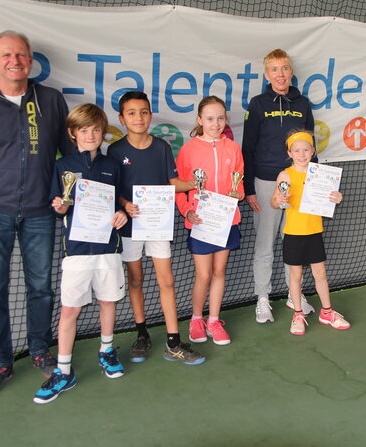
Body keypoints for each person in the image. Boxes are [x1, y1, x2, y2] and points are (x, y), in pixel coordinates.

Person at [0, 30, 72, 396]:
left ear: (30, 61)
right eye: (6, 55)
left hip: (40, 212)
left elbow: (68, 157)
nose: (14, 61)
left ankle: (40, 351)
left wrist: (66, 197)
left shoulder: (51, 100)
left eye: (20, 55)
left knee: (41, 288)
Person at [33, 103, 129, 404]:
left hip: (108, 248)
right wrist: (60, 206)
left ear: (103, 133)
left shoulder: (112, 166)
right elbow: (58, 208)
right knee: (69, 310)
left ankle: (106, 351)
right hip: (76, 251)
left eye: (96, 130)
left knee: (108, 301)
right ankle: (63, 371)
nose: (91, 135)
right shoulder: (62, 166)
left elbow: (120, 202)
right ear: (73, 133)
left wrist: (122, 214)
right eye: (84, 130)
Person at [106, 91, 205, 365]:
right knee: (135, 280)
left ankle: (173, 342)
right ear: (122, 118)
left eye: (144, 112)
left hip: (157, 226)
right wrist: (125, 204)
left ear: (150, 115)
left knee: (167, 281)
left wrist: (195, 184)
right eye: (132, 113)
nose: (139, 118)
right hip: (129, 228)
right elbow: (113, 190)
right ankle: (142, 334)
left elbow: (172, 183)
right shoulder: (115, 151)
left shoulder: (161, 147)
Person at [242, 49, 316, 324]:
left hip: (298, 182)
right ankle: (262, 299)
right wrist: (249, 188)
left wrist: (314, 185)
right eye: (274, 69)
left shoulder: (303, 103)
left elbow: (312, 148)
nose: (280, 74)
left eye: (284, 68)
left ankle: (293, 296)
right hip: (265, 182)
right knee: (265, 244)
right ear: (267, 75)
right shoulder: (258, 104)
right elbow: (248, 148)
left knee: (293, 242)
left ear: (291, 72)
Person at [175, 96, 245, 346]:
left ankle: (214, 321)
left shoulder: (233, 148)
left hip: (225, 221)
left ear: (226, 120)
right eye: (210, 118)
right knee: (203, 275)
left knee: (218, 272)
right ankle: (196, 319)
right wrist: (187, 211)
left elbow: (240, 184)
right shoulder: (188, 150)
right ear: (199, 120)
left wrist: (239, 194)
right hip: (201, 221)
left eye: (220, 118)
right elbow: (179, 187)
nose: (216, 124)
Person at [271, 131, 350, 335]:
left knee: (320, 274)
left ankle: (327, 312)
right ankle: (298, 314)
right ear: (289, 153)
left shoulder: (321, 175)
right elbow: (274, 201)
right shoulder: (285, 175)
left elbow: (329, 197)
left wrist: (336, 197)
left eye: (306, 150)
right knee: (295, 275)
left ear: (313, 151)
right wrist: (279, 200)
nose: (302, 154)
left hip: (314, 231)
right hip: (293, 233)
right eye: (296, 150)